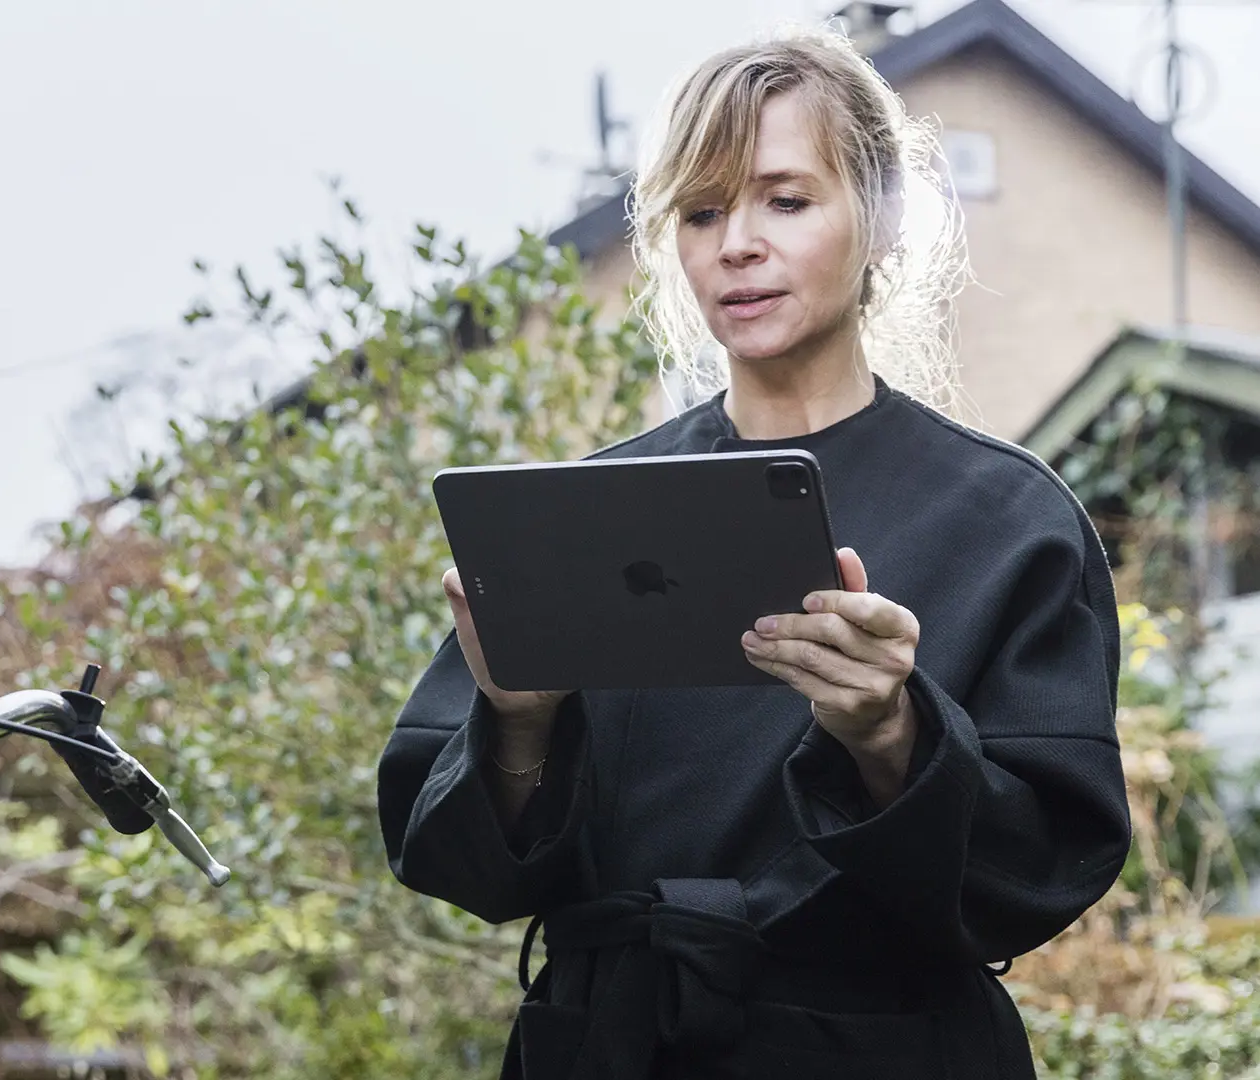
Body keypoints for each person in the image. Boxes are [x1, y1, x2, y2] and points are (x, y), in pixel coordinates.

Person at [375, 23, 1131, 1080]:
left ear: (876, 217)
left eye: (785, 199)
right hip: (611, 1045)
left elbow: (1048, 866)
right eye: (701, 210)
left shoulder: (1008, 521)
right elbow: (457, 862)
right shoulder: (582, 513)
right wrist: (517, 718)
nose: (735, 243)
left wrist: (890, 735)